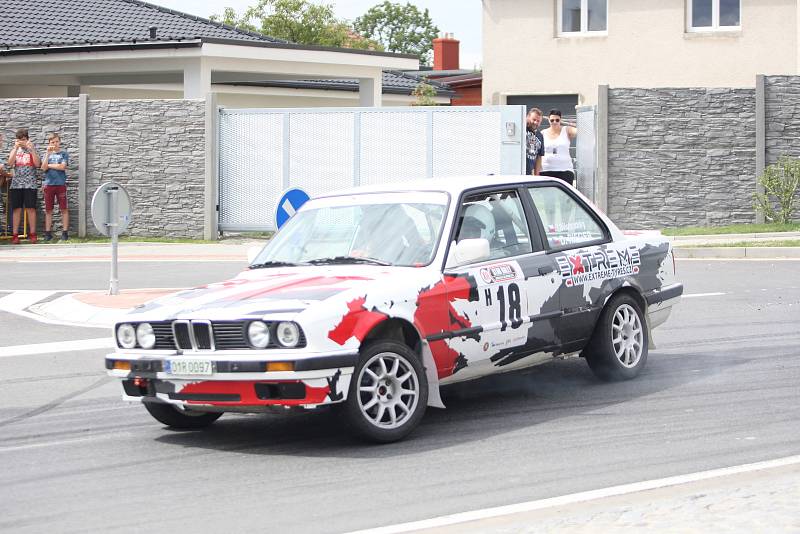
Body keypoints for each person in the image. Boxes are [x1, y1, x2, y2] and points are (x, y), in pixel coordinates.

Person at [7, 128, 40, 244]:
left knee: (31, 209)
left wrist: (32, 150)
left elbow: (37, 164)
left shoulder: (31, 150)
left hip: (30, 184)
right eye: (19, 140)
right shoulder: (15, 150)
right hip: (16, 184)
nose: (22, 141)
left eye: (24, 139)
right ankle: (15, 235)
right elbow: (10, 163)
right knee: (16, 209)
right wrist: (15, 148)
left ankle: (33, 234)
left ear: (27, 139)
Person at [40, 133, 69, 241]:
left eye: (57, 141)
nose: (55, 144)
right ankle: (48, 232)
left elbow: (62, 167)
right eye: (53, 142)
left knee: (64, 209)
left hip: (60, 184)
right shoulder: (47, 154)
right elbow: (43, 168)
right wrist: (47, 154)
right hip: (49, 185)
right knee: (48, 210)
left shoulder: (63, 154)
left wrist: (49, 165)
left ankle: (65, 232)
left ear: (59, 142)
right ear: (49, 143)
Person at [540, 109, 578, 186]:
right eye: (552, 120)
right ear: (549, 120)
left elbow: (580, 131)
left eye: (557, 120)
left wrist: (566, 123)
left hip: (564, 170)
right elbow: (538, 153)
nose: (554, 122)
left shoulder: (566, 130)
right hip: (546, 170)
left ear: (560, 120)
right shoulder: (543, 133)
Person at [525, 108, 545, 176]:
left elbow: (539, 157)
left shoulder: (540, 135)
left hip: (529, 174)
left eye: (538, 121)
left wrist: (537, 176)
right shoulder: (521, 129)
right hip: (516, 171)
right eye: (534, 119)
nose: (536, 122)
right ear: (527, 117)